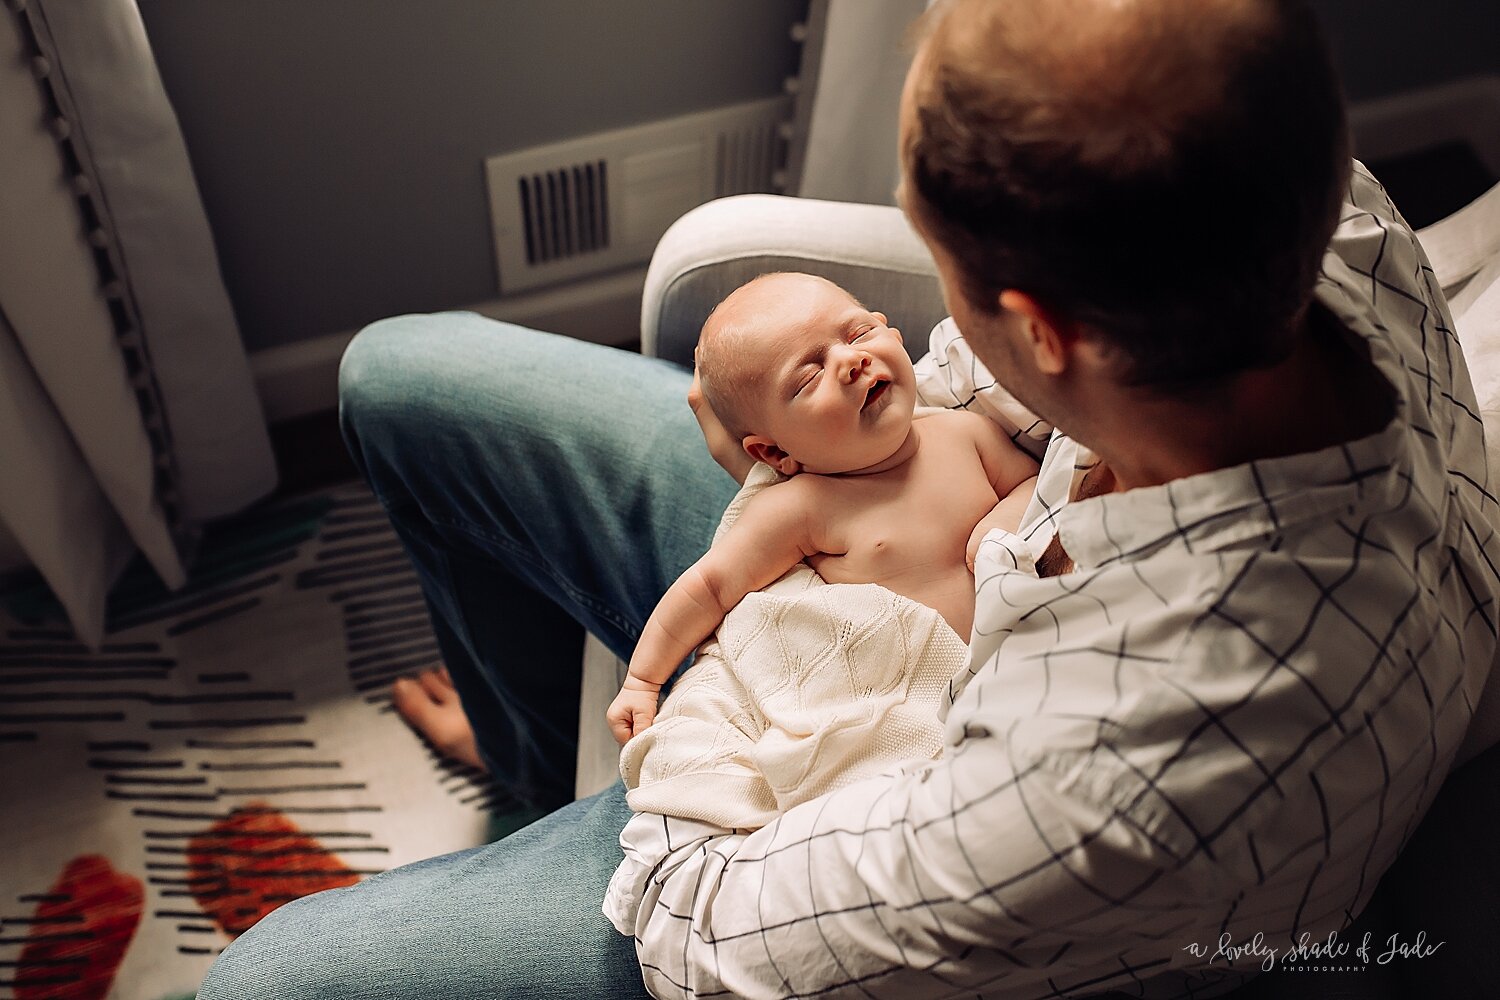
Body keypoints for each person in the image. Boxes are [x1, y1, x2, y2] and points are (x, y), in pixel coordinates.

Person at [197, 2, 1500, 999]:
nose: (911, 329)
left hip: (816, 786)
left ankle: (564, 800)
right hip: (912, 554)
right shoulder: (1307, 213)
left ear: (1044, 328)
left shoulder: (1134, 779)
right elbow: (954, 383)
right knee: (399, 381)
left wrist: (740, 648)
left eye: (937, 273)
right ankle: (533, 782)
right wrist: (812, 491)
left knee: (263, 982)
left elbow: (713, 922)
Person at [607, 270, 1039, 746]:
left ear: (891, 332)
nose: (852, 360)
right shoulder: (802, 507)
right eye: (809, 377)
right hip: (909, 711)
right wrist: (643, 681)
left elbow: (1031, 484)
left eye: (860, 333)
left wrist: (1004, 516)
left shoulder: (966, 435)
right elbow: (710, 586)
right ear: (774, 455)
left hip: (1022, 670)